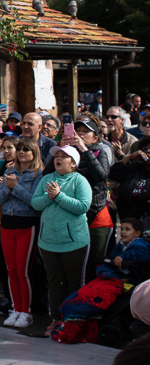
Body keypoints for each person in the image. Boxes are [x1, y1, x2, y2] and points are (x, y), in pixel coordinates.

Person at [52, 218, 150, 344]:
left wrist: (123, 258)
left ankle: (74, 326)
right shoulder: (122, 245)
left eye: (127, 229)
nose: (123, 232)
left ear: (137, 233)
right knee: (81, 295)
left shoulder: (140, 245)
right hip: (112, 277)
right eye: (122, 229)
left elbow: (142, 256)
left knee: (88, 297)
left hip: (124, 281)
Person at [32, 145, 93, 337]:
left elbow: (83, 206)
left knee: (73, 282)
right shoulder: (46, 179)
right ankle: (56, 318)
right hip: (48, 241)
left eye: (63, 156)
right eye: (56, 156)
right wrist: (50, 197)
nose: (58, 159)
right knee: (53, 282)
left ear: (73, 164)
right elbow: (35, 203)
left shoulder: (79, 180)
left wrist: (59, 196)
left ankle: (73, 319)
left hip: (74, 242)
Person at [0, 136, 44, 328]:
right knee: (11, 270)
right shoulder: (10, 171)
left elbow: (35, 202)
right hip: (8, 223)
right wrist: (8, 187)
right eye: (20, 149)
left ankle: (26, 311)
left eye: (26, 149)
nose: (22, 152)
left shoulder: (39, 174)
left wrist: (15, 187)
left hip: (26, 224)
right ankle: (16, 308)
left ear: (34, 153)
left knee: (23, 271)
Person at [65, 117, 113, 282]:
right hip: (72, 212)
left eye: (86, 132)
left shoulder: (100, 152)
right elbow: (48, 174)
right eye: (78, 131)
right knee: (74, 262)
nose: (80, 134)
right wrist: (62, 147)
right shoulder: (68, 152)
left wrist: (85, 150)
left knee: (94, 260)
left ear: (95, 137)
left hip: (96, 212)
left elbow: (101, 176)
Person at [107, 138, 150, 222]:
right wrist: (129, 157)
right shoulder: (134, 167)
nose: (148, 151)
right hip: (127, 218)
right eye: (146, 148)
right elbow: (113, 175)